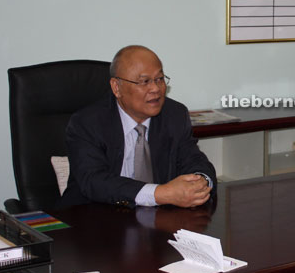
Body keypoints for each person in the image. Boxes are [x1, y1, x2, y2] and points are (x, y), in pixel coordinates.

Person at [59, 45, 216, 209]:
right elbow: (94, 181)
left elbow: (194, 160)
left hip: (155, 220)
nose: (155, 89)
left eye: (159, 79)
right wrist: (160, 193)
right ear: (116, 87)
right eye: (144, 82)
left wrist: (200, 181)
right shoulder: (87, 122)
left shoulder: (174, 115)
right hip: (91, 218)